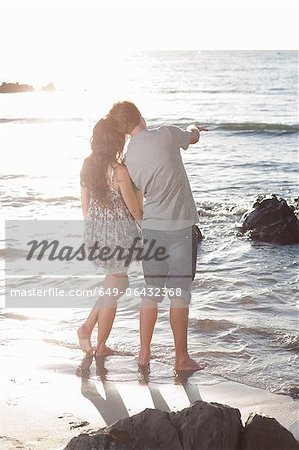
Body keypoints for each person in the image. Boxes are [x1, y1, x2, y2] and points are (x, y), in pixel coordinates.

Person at [107, 101, 208, 371]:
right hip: (180, 228)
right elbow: (193, 138)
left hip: (151, 230)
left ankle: (143, 353)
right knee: (179, 294)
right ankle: (181, 358)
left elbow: (137, 201)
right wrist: (192, 127)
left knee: (151, 293)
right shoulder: (166, 134)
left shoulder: (127, 159)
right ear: (138, 115)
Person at [77, 117, 143, 356]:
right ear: (115, 142)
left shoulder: (87, 165)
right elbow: (134, 209)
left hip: (96, 233)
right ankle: (100, 344)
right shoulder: (119, 171)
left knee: (114, 285)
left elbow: (85, 207)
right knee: (115, 289)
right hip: (118, 236)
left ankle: (86, 329)